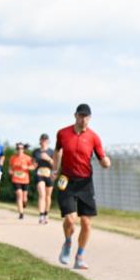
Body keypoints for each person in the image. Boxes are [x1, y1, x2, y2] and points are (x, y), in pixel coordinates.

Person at [53, 104, 111, 270]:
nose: (83, 119)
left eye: (86, 116)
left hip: (85, 183)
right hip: (66, 180)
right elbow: (57, 151)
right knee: (70, 219)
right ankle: (68, 243)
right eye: (81, 116)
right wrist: (54, 168)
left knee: (86, 222)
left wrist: (105, 162)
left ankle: (79, 256)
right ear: (75, 116)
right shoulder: (63, 133)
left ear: (90, 118)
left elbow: (102, 157)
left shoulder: (94, 137)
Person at [8, 143, 36, 220]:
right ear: (16, 149)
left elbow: (33, 166)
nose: (20, 150)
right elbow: (10, 168)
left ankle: (24, 202)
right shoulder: (13, 158)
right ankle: (21, 213)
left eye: (21, 148)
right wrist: (10, 171)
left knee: (24, 197)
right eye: (18, 148)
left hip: (25, 180)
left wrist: (26, 167)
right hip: (16, 179)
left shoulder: (27, 158)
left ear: (23, 149)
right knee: (19, 195)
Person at [33, 134, 55, 224]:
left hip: (49, 174)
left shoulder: (52, 151)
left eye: (46, 140)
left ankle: (46, 214)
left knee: (48, 196)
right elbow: (33, 163)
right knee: (42, 194)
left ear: (48, 141)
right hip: (39, 174)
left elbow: (55, 164)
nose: (44, 141)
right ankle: (41, 215)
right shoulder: (36, 152)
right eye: (42, 139)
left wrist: (48, 159)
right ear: (40, 141)